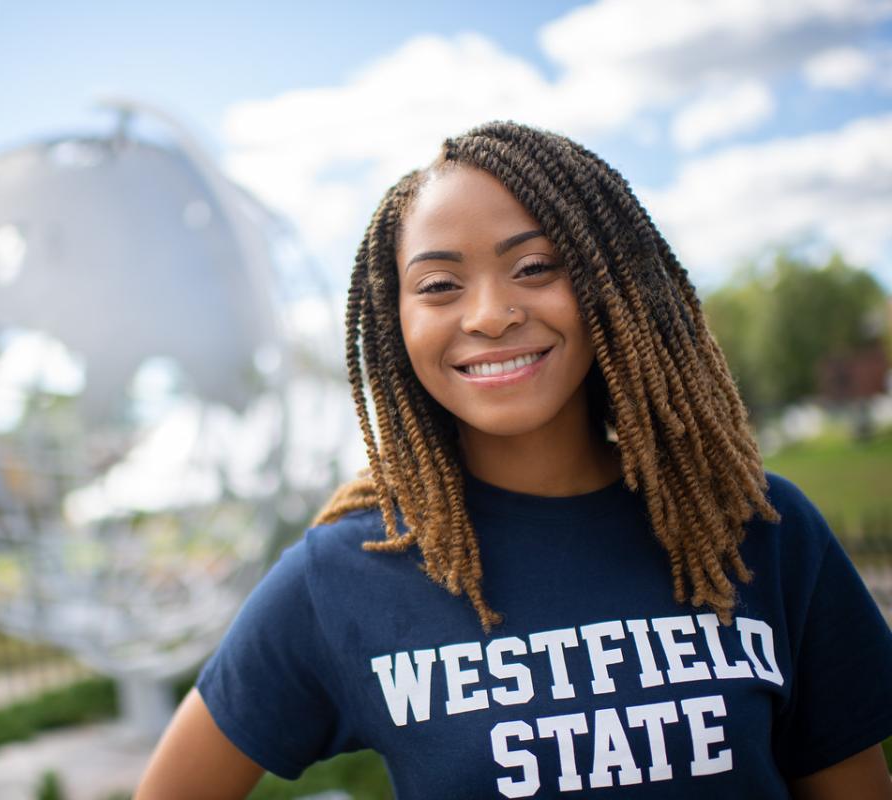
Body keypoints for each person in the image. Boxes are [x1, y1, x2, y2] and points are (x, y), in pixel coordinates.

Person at [136, 122, 892, 799]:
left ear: (610, 287)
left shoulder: (761, 527)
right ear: (395, 322)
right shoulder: (346, 574)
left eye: (534, 267)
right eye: (439, 286)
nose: (490, 313)